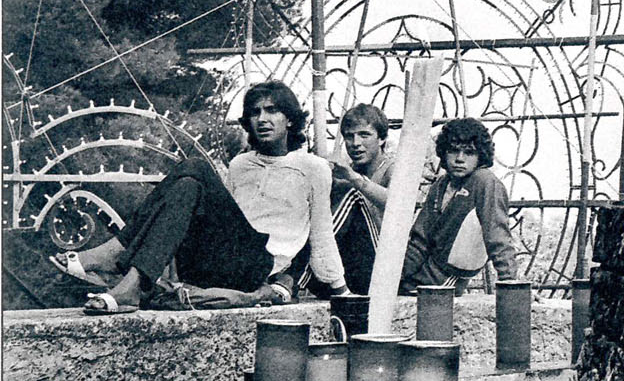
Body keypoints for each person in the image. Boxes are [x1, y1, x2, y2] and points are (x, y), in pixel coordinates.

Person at [61, 81, 349, 313]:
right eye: (255, 112)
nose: (262, 119)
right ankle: (128, 278)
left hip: (257, 265)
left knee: (195, 168)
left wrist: (341, 291)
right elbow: (222, 222)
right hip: (213, 263)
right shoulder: (240, 165)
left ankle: (121, 261)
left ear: (290, 119)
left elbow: (322, 236)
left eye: (272, 110)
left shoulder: (313, 168)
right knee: (188, 184)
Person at [399, 117, 517, 293]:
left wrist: (512, 284)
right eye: (453, 151)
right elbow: (420, 239)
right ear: (444, 153)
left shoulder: (484, 182)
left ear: (480, 156)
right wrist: (397, 275)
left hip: (446, 277)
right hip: (418, 273)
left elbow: (498, 235)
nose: (459, 159)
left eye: (469, 153)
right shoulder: (440, 185)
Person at [312, 103, 394, 296]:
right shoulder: (347, 171)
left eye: (364, 135)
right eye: (349, 136)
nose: (355, 143)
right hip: (349, 264)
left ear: (381, 139)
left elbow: (399, 205)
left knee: (350, 193)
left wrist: (355, 180)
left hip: (382, 263)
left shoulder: (393, 167)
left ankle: (297, 275)